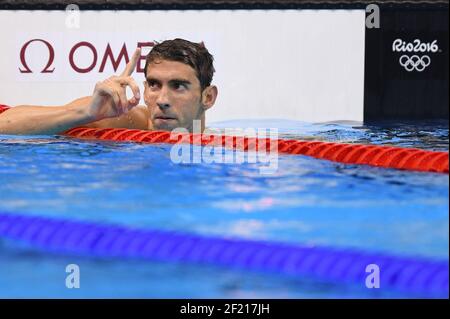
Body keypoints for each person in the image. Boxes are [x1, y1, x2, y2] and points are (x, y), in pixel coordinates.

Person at [0, 38, 218, 135]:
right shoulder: (128, 120)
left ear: (208, 97)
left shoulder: (223, 144)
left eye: (178, 86)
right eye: (154, 84)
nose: (162, 100)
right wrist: (85, 113)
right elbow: (4, 124)